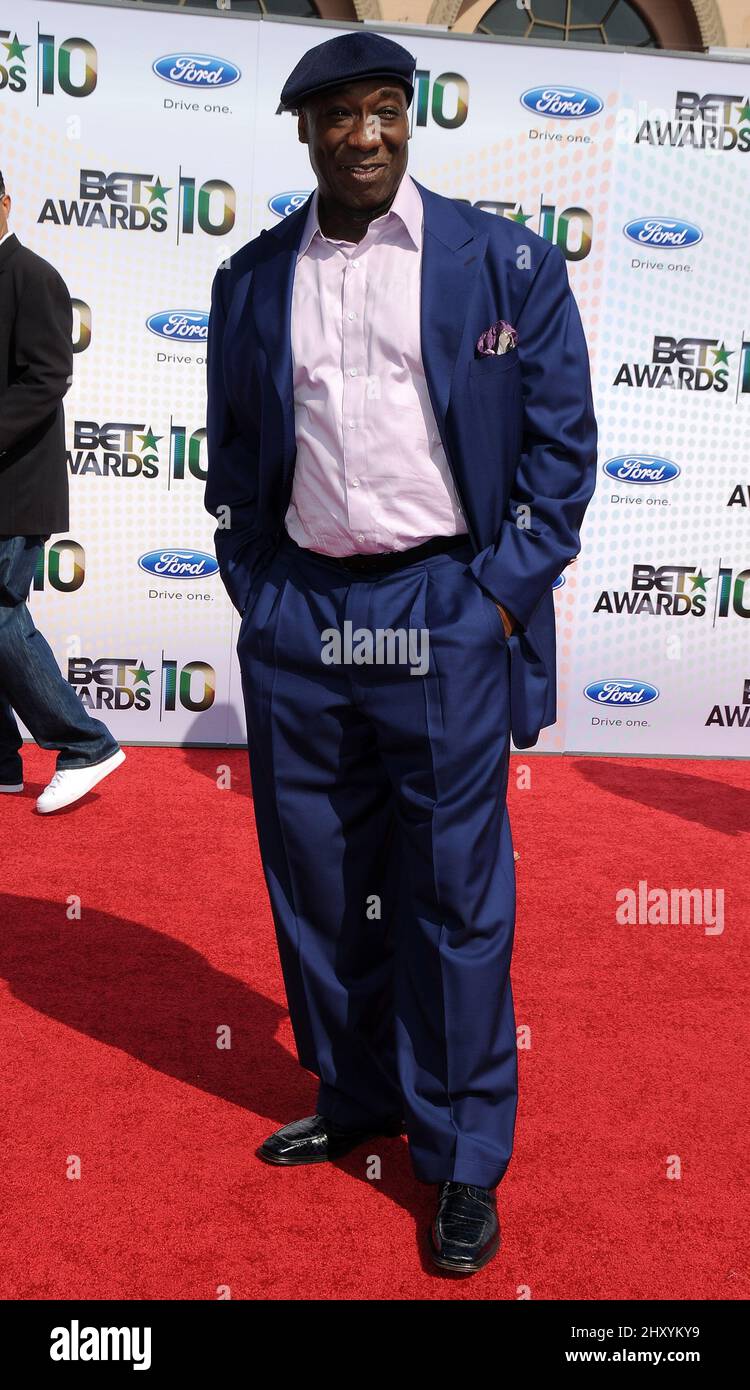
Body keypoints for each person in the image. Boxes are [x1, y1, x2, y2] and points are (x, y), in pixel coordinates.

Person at [204, 31, 598, 1275]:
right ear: (303, 132)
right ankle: (363, 1089)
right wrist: (261, 595)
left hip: (442, 605)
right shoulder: (252, 279)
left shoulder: (504, 264)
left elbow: (560, 454)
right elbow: (234, 463)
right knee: (319, 883)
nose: (363, 134)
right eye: (337, 117)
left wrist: (490, 603)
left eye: (385, 110)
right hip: (304, 620)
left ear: (409, 120)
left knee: (452, 894)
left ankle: (466, 1155)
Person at [0, 170, 124, 813]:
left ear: (5, 203)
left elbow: (47, 378)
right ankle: (2, 759)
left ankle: (84, 745)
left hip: (17, 490)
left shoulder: (32, 276)